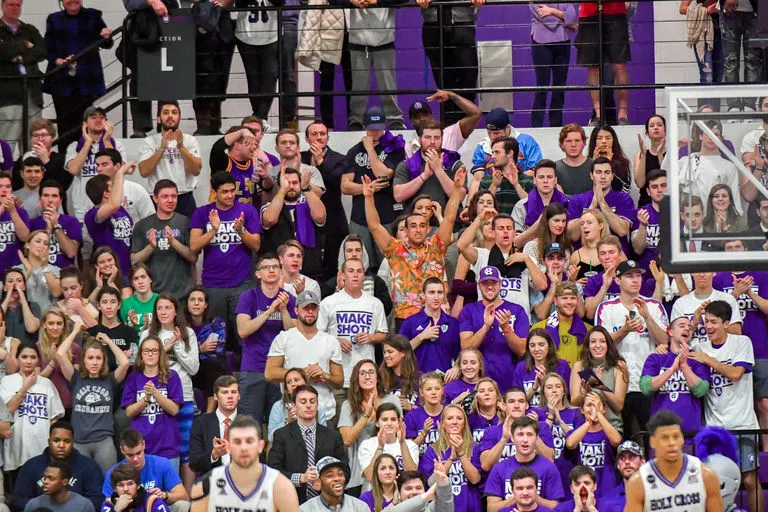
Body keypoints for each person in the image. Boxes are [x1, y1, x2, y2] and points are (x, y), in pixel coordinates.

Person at [691, 300, 763, 512]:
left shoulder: (742, 342)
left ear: (726, 323)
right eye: (706, 322)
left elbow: (735, 374)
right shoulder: (699, 347)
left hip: (743, 424)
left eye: (714, 322)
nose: (709, 326)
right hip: (715, 428)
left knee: (749, 481)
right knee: (714, 482)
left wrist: (708, 360)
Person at [370, 167, 465, 324]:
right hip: (406, 316)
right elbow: (374, 226)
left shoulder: (436, 246)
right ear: (406, 230)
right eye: (413, 225)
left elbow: (449, 218)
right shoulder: (395, 249)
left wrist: (456, 189)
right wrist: (368, 197)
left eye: (422, 225)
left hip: (437, 315)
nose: (418, 229)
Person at [594, 260, 669, 437]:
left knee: (652, 437)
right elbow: (599, 344)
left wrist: (647, 318)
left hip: (648, 382)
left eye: (638, 275)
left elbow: (664, 340)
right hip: (617, 385)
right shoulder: (606, 308)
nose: (635, 280)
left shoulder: (653, 306)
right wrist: (624, 330)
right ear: (618, 280)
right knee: (621, 437)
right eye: (629, 276)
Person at [190, 171, 262, 345]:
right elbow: (194, 246)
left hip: (242, 282)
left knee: (242, 335)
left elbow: (256, 245)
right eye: (224, 192)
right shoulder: (202, 213)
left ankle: (241, 371)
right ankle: (221, 371)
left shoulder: (247, 211)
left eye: (232, 191)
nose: (230, 195)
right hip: (213, 284)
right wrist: (213, 230)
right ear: (215, 192)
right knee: (217, 336)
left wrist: (241, 231)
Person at [140, 294, 199, 489]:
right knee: (162, 450)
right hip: (158, 399)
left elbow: (194, 369)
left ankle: (187, 498)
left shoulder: (188, 332)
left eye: (167, 308)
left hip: (185, 397)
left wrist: (179, 346)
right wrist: (165, 347)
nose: (163, 312)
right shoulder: (147, 334)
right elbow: (142, 366)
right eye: (160, 308)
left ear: (175, 311)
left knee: (186, 450)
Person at [55, 323, 129, 472]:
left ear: (103, 361)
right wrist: (75, 331)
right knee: (81, 486)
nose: (94, 362)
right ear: (84, 360)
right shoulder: (76, 379)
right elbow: (60, 354)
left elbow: (125, 362)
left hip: (104, 442)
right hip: (79, 442)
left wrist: (108, 341)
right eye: (90, 358)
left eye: (98, 358)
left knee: (107, 485)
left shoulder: (110, 380)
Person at [191, 414, 299, 512]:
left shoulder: (282, 487)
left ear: (261, 446)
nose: (243, 448)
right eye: (237, 442)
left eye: (249, 441)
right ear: (228, 447)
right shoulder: (204, 487)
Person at [266, 290, 344, 422]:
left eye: (313, 308)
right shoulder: (284, 338)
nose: (310, 312)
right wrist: (302, 374)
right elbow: (269, 373)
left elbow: (339, 381)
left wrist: (325, 375)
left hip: (324, 412)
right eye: (305, 308)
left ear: (318, 310)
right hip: (293, 412)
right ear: (296, 310)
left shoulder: (330, 341)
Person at [236, 253, 297, 422]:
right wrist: (270, 311)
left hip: (280, 370)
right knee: (249, 423)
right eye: (266, 267)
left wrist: (283, 310)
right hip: (253, 368)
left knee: (278, 425)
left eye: (275, 267)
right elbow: (243, 330)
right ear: (258, 274)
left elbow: (294, 335)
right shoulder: (248, 296)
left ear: (281, 272)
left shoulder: (289, 299)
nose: (271, 270)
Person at [624, 411, 723, 511]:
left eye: (676, 437)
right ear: (652, 442)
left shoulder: (706, 475)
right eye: (665, 438)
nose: (672, 443)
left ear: (682, 439)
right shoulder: (638, 483)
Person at [342, 118, 406, 271]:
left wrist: (370, 149)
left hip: (388, 215)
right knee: (362, 264)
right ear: (364, 126)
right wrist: (369, 188)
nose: (375, 132)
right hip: (360, 217)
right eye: (371, 128)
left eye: (379, 128)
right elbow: (345, 186)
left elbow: (383, 175)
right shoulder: (354, 151)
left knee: (389, 262)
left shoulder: (395, 148)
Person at [269, 385, 349, 503]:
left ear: (317, 405)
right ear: (294, 406)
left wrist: (325, 483)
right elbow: (273, 471)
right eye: (303, 402)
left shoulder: (333, 436)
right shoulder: (282, 435)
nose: (308, 405)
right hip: (292, 501)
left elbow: (345, 470)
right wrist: (301, 478)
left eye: (312, 401)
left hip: (327, 501)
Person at [457, 211, 546, 317]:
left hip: (518, 322)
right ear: (493, 232)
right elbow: (461, 245)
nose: (505, 232)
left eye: (509, 228)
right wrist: (479, 219)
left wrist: (527, 259)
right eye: (501, 228)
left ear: (514, 233)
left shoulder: (526, 259)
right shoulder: (482, 256)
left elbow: (542, 285)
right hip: (489, 320)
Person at [318, 257, 388, 389]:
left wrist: (370, 337)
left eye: (359, 271)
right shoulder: (328, 302)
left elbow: (383, 334)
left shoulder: (375, 303)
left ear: (364, 276)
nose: (355, 275)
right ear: (343, 275)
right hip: (337, 375)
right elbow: (317, 334)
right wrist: (336, 341)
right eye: (351, 271)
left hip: (366, 376)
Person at [459, 265, 530, 391]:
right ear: (479, 285)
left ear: (500, 284)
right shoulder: (469, 310)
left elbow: (522, 350)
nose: (490, 287)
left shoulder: (516, 310)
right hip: (477, 384)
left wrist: (506, 328)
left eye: (494, 282)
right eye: (485, 283)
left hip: (510, 381)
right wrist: (485, 327)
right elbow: (466, 347)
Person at [639, 316, 709, 435]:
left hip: (690, 433)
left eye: (690, 327)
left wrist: (684, 365)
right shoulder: (656, 358)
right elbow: (646, 387)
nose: (687, 329)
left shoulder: (698, 358)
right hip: (661, 433)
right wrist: (672, 369)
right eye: (682, 326)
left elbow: (701, 390)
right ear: (670, 332)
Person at [12, 420, 103, 512]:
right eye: (56, 440)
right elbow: (19, 500)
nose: (61, 445)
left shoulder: (88, 466)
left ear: (73, 442)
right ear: (49, 441)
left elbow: (96, 499)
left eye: (67, 441)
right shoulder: (31, 466)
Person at [121, 337, 183, 466]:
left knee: (168, 486)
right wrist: (146, 399)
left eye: (154, 351)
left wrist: (155, 393)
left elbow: (174, 410)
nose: (150, 354)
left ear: (160, 354)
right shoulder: (133, 377)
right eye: (146, 351)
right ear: (141, 355)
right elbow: (129, 412)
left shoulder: (171, 376)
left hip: (167, 446)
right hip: (141, 449)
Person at [0, 344, 63, 472]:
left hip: (42, 449)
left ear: (38, 360)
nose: (29, 361)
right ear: (17, 359)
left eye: (33, 357)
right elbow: (6, 412)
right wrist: (25, 388)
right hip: (16, 450)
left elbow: (53, 420)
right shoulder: (8, 381)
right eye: (24, 357)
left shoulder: (46, 384)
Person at [670, 120, 750, 217]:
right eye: (707, 133)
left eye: (716, 135)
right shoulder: (687, 161)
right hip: (692, 221)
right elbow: (666, 176)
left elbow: (735, 199)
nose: (711, 137)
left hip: (717, 221)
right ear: (700, 136)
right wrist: (673, 148)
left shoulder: (729, 166)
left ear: (721, 138)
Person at [137, 101, 202, 217]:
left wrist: (181, 147)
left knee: (188, 234)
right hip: (158, 198)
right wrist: (162, 148)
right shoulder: (150, 142)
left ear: (179, 118)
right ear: (159, 119)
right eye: (166, 113)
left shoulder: (190, 140)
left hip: (184, 197)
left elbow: (196, 170)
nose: (170, 116)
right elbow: (144, 171)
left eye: (174, 112)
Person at [65, 107, 125, 230]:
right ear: (85, 124)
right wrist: (87, 143)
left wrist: (107, 140)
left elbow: (120, 170)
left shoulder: (116, 145)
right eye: (93, 117)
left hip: (110, 204)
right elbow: (74, 170)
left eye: (101, 117)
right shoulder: (75, 146)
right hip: (83, 207)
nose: (98, 120)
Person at [131, 180, 194, 298]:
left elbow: (193, 257)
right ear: (155, 198)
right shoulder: (142, 225)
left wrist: (174, 242)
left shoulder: (186, 222)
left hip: (182, 293)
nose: (170, 200)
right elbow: (134, 260)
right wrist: (150, 247)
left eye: (174, 196)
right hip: (153, 294)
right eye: (165, 196)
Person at [485, 416, 563, 511]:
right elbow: (491, 509)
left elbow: (557, 508)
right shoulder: (499, 468)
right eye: (520, 434)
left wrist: (534, 498)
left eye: (530, 434)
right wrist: (516, 498)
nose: (525, 439)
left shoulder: (549, 468)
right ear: (512, 438)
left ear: (536, 438)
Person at [261, 167, 327, 281]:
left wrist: (306, 189)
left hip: (311, 270)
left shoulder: (310, 203)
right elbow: (269, 220)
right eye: (287, 183)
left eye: (295, 183)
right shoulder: (270, 205)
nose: (291, 186)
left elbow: (320, 217)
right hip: (280, 274)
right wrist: (282, 190)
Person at [301, 122, 348, 278]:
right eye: (314, 134)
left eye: (322, 134)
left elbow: (338, 183)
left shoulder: (339, 159)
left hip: (333, 219)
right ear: (307, 138)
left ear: (328, 137)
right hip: (305, 219)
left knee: (333, 266)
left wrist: (322, 161)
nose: (319, 137)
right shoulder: (300, 158)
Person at [102, 429, 188, 512]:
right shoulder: (113, 473)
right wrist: (118, 508)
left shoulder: (162, 464)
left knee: (183, 505)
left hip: (159, 508)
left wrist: (164, 495)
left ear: (143, 444)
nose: (135, 459)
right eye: (130, 455)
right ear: (122, 450)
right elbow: (108, 503)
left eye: (138, 453)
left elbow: (184, 496)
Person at [476, 387, 555, 474]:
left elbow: (549, 459)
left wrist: (533, 432)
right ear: (503, 406)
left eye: (521, 401)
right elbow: (485, 465)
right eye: (511, 402)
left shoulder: (542, 427)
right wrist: (503, 439)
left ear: (526, 405)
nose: (516, 406)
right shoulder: (491, 432)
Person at [0, 0, 44, 151]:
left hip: (32, 92)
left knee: (35, 142)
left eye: (18, 5)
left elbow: (43, 51)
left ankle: (34, 174)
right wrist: (26, 45)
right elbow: (3, 52)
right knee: (7, 143)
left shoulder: (29, 29)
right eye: (11, 4)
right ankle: (5, 175)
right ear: (2, 6)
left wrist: (18, 57)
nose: (15, 8)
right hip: (8, 94)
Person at [418, 404, 481, 510]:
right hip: (443, 507)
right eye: (450, 418)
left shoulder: (474, 447)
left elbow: (475, 479)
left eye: (459, 418)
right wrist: (451, 459)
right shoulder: (432, 450)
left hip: (469, 507)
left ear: (464, 423)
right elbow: (431, 483)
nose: (455, 422)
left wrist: (461, 452)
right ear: (442, 423)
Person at [393, 119, 463, 211]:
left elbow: (460, 197)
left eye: (437, 138)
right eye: (428, 137)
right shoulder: (406, 165)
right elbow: (398, 196)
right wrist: (424, 176)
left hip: (447, 222)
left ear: (442, 140)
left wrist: (438, 170)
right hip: (416, 222)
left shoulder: (455, 164)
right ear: (420, 140)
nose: (432, 142)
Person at [565, 158, 634, 253]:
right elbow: (573, 235)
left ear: (612, 176)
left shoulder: (624, 199)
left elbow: (622, 231)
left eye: (607, 172)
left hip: (616, 257)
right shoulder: (577, 200)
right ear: (591, 175)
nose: (602, 176)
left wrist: (602, 202)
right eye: (598, 172)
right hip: (585, 258)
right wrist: (592, 207)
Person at [569, 326, 628, 435]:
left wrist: (599, 385)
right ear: (588, 346)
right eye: (593, 342)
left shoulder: (619, 366)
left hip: (611, 427)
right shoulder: (580, 366)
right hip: (585, 428)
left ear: (608, 345)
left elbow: (619, 405)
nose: (598, 345)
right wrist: (584, 393)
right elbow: (574, 401)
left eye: (602, 341)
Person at [529, 1, 577, 128]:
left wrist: (553, 11)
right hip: (541, 43)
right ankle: (536, 125)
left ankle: (556, 125)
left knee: (560, 87)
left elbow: (572, 16)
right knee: (542, 87)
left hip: (563, 42)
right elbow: (545, 18)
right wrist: (564, 19)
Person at [399, 277, 460, 374]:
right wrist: (421, 337)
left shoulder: (453, 324)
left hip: (444, 383)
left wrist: (457, 367)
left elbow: (460, 354)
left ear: (444, 295)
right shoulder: (410, 323)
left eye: (439, 293)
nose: (436, 297)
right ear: (423, 295)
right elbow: (399, 353)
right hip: (417, 382)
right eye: (431, 292)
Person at [83, 161, 134, 276]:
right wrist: (120, 173)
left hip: (128, 269)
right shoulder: (92, 214)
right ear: (106, 194)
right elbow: (113, 204)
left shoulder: (120, 209)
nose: (117, 189)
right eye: (112, 187)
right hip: (108, 272)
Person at [670, 272, 742, 348]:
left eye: (706, 271)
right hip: (691, 355)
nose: (701, 275)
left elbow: (737, 333)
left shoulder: (728, 299)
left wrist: (716, 312)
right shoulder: (680, 303)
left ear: (714, 273)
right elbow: (675, 340)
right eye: (698, 271)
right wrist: (694, 323)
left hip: (721, 354)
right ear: (692, 273)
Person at [358, 403, 418, 491]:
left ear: (399, 422)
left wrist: (402, 443)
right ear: (377, 423)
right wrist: (380, 446)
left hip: (402, 497)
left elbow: (411, 475)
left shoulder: (410, 445)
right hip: (375, 496)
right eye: (385, 420)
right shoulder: (367, 445)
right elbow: (370, 477)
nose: (389, 423)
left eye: (393, 419)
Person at [405, 91, 482, 159]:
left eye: (425, 114)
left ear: (432, 116)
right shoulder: (408, 148)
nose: (422, 119)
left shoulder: (449, 134)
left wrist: (451, 95)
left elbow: (476, 114)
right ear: (411, 122)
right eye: (416, 117)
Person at [188, 375, 240, 474]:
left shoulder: (249, 422)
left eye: (233, 392)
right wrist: (213, 455)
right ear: (216, 396)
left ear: (239, 395)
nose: (230, 396)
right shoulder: (201, 423)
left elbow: (259, 459)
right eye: (224, 392)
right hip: (212, 483)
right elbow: (194, 463)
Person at [185, 288, 226, 411]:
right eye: (192, 300)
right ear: (187, 304)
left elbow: (217, 348)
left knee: (212, 364)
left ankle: (209, 414)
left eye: (200, 300)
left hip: (208, 367)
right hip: (188, 366)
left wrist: (193, 350)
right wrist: (200, 349)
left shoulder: (216, 323)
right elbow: (179, 352)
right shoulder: (180, 325)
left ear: (206, 305)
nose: (196, 303)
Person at [471, 108, 543, 177]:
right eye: (489, 133)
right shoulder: (482, 147)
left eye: (497, 133)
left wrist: (509, 180)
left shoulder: (527, 142)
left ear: (508, 128)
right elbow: (477, 179)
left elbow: (536, 172)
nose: (492, 137)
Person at [532, 281, 590, 366]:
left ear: (577, 300)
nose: (569, 302)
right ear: (555, 301)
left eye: (573, 298)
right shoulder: (539, 329)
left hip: (578, 377)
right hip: (549, 377)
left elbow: (590, 363)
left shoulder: (588, 330)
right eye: (564, 298)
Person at [472, 138, 532, 216]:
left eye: (497, 152)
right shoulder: (487, 181)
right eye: (492, 152)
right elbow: (480, 210)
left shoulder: (528, 180)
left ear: (510, 153)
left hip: (520, 227)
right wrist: (494, 185)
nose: (493, 156)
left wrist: (516, 185)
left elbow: (532, 207)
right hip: (493, 226)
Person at [13, 120, 71, 200]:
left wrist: (47, 162)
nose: (40, 139)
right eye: (36, 135)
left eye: (44, 135)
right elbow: (16, 186)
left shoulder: (62, 159)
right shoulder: (23, 159)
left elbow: (63, 185)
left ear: (52, 138)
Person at [94, 149, 154, 225]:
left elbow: (150, 220)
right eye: (97, 165)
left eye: (104, 164)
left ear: (118, 166)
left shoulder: (136, 189)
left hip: (135, 235)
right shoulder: (94, 190)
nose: (99, 169)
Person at [29, 180, 80, 269]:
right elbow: (32, 256)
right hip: (40, 274)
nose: (50, 200)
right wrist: (47, 231)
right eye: (46, 195)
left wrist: (56, 225)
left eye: (54, 196)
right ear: (40, 199)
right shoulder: (32, 224)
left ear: (60, 201)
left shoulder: (71, 221)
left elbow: (71, 253)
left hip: (64, 275)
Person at [513, 329, 571, 408]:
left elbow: (565, 399)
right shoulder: (521, 367)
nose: (536, 349)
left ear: (549, 346)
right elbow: (518, 402)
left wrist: (545, 383)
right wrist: (534, 387)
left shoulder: (562, 366)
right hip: (528, 416)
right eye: (532, 345)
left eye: (541, 344)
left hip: (554, 414)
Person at [268, 368, 329, 442]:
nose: (293, 384)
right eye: (289, 382)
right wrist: (287, 422)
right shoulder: (278, 406)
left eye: (296, 380)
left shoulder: (316, 406)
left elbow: (325, 436)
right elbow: (271, 438)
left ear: (306, 383)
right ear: (286, 389)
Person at [87, 286, 138, 371]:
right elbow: (88, 363)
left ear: (119, 305)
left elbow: (132, 361)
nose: (109, 306)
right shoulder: (91, 333)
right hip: (99, 381)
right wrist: (120, 358)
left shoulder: (130, 332)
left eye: (113, 302)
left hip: (124, 381)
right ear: (98, 305)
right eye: (104, 302)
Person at [300, 456, 370, 512]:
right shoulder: (306, 509)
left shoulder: (359, 507)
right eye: (330, 476)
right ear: (318, 482)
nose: (337, 478)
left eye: (340, 474)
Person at [22, 460, 95, 512]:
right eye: (45, 477)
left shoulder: (84, 505)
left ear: (65, 482)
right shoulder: (33, 505)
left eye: (51, 478)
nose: (45, 482)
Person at [630, 169, 666, 272]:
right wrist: (642, 226)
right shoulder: (640, 214)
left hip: (673, 274)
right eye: (654, 187)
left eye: (663, 185)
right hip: (645, 274)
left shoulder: (679, 214)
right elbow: (638, 250)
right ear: (648, 192)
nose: (659, 190)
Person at [16, 231, 60, 310]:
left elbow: (56, 292)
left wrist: (45, 267)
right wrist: (28, 272)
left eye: (46, 243)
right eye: (38, 241)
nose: (42, 245)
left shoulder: (55, 270)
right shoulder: (16, 270)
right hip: (23, 318)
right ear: (28, 245)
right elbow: (13, 293)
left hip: (48, 318)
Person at [101, 463, 170, 512]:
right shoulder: (108, 505)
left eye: (130, 484)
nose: (126, 489)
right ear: (114, 488)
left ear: (138, 485)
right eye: (121, 485)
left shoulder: (153, 502)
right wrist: (117, 510)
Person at [0, 171, 31, 276]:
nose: (4, 190)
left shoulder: (20, 212)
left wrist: (13, 211)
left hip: (15, 271)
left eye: (8, 186)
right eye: (0, 186)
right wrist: (1, 209)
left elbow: (25, 237)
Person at [600, 440, 645, 511]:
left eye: (632, 457)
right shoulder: (607, 501)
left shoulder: (654, 495)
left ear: (642, 461)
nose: (627, 462)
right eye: (622, 458)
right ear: (618, 465)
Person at [633, 115, 667, 206]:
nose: (656, 127)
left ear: (665, 131)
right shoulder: (640, 155)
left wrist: (660, 154)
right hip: (645, 204)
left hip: (667, 203)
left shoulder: (672, 155)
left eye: (659, 125)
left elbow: (670, 180)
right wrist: (644, 155)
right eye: (652, 126)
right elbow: (640, 184)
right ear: (647, 133)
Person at [387, 468, 454, 512]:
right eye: (408, 489)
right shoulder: (394, 509)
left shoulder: (433, 508)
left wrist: (444, 484)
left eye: (418, 488)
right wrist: (425, 497)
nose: (414, 492)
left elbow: (446, 505)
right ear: (399, 493)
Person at [556, 124, 592, 196]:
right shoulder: (555, 168)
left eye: (577, 140)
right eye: (568, 141)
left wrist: (564, 197)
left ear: (584, 143)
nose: (573, 145)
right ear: (562, 144)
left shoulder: (594, 166)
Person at [119, 264, 157, 334]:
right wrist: (132, 326)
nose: (140, 282)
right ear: (132, 283)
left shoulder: (160, 301)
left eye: (143, 277)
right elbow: (121, 333)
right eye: (135, 279)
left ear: (150, 279)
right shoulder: (125, 305)